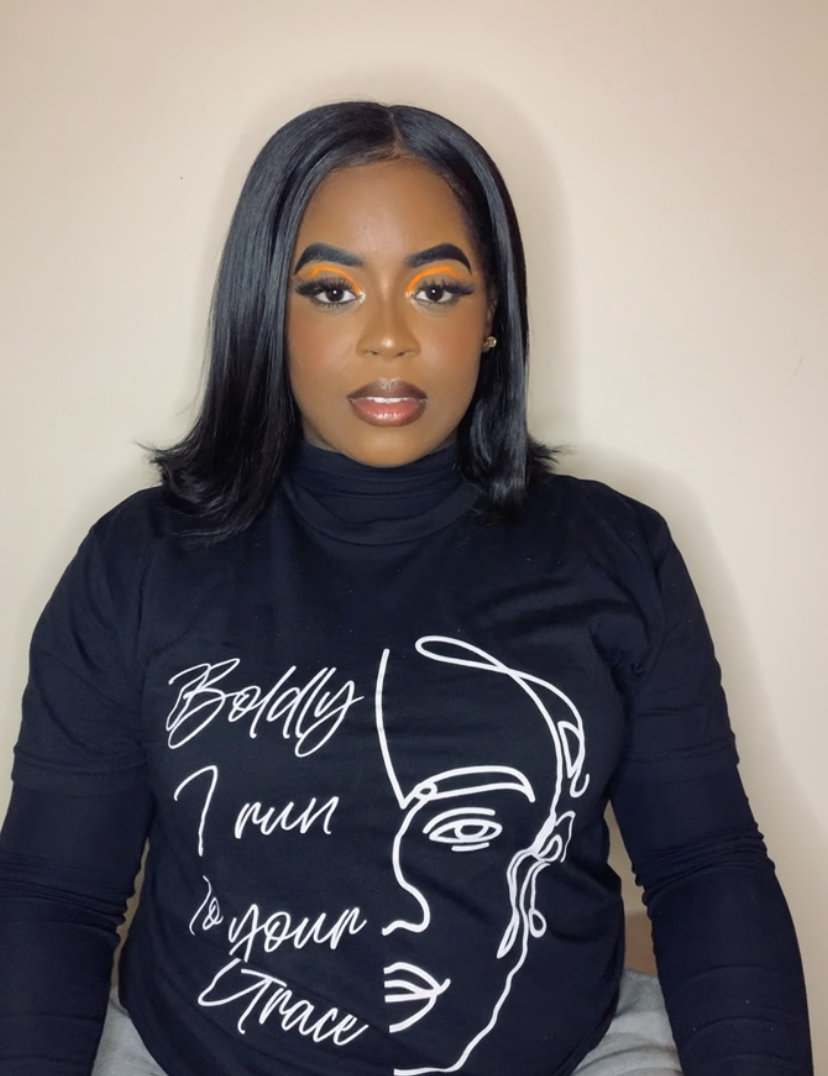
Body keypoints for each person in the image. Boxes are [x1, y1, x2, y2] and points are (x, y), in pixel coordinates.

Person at [0, 101, 812, 1076]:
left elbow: (702, 865)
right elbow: (55, 893)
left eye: (435, 289)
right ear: (266, 310)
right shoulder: (138, 563)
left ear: (492, 314)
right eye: (332, 291)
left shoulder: (617, 552)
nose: (388, 337)